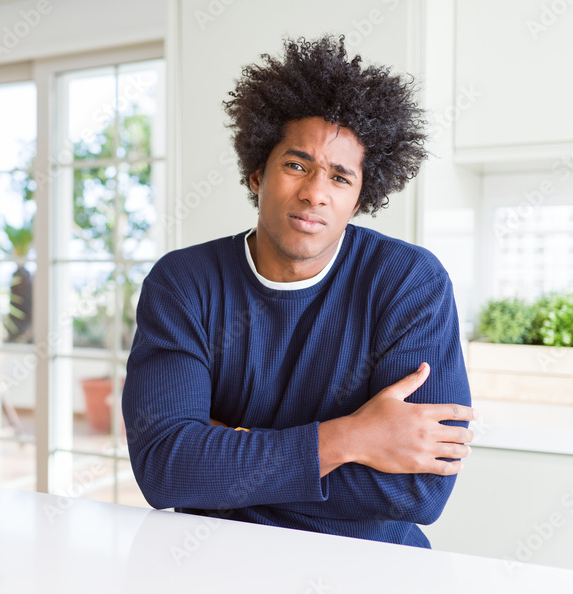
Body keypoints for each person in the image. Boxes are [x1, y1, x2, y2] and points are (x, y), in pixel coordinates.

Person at [121, 35, 475, 548]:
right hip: (212, 554)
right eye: (296, 164)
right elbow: (164, 467)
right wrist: (352, 437)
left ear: (360, 199)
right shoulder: (184, 283)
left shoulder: (407, 283)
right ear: (256, 172)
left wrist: (229, 448)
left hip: (370, 565)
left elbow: (418, 491)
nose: (314, 192)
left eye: (339, 176)